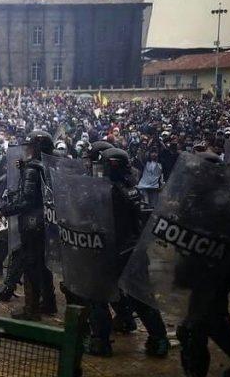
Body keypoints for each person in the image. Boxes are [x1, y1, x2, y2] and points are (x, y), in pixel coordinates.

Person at [176, 149, 230, 377]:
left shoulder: (224, 203)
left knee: (197, 327)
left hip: (214, 275)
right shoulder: (198, 198)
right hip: (201, 274)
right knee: (209, 323)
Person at [88, 148, 170, 357]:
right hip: (133, 249)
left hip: (113, 250)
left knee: (97, 295)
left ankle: (100, 342)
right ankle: (159, 339)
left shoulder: (109, 192)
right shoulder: (131, 188)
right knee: (140, 297)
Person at [0, 130, 57, 321]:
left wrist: (5, 210)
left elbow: (27, 200)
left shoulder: (32, 169)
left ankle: (31, 309)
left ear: (36, 148)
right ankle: (49, 302)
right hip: (46, 220)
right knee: (43, 264)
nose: (27, 149)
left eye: (30, 146)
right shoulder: (50, 166)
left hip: (32, 222)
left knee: (31, 266)